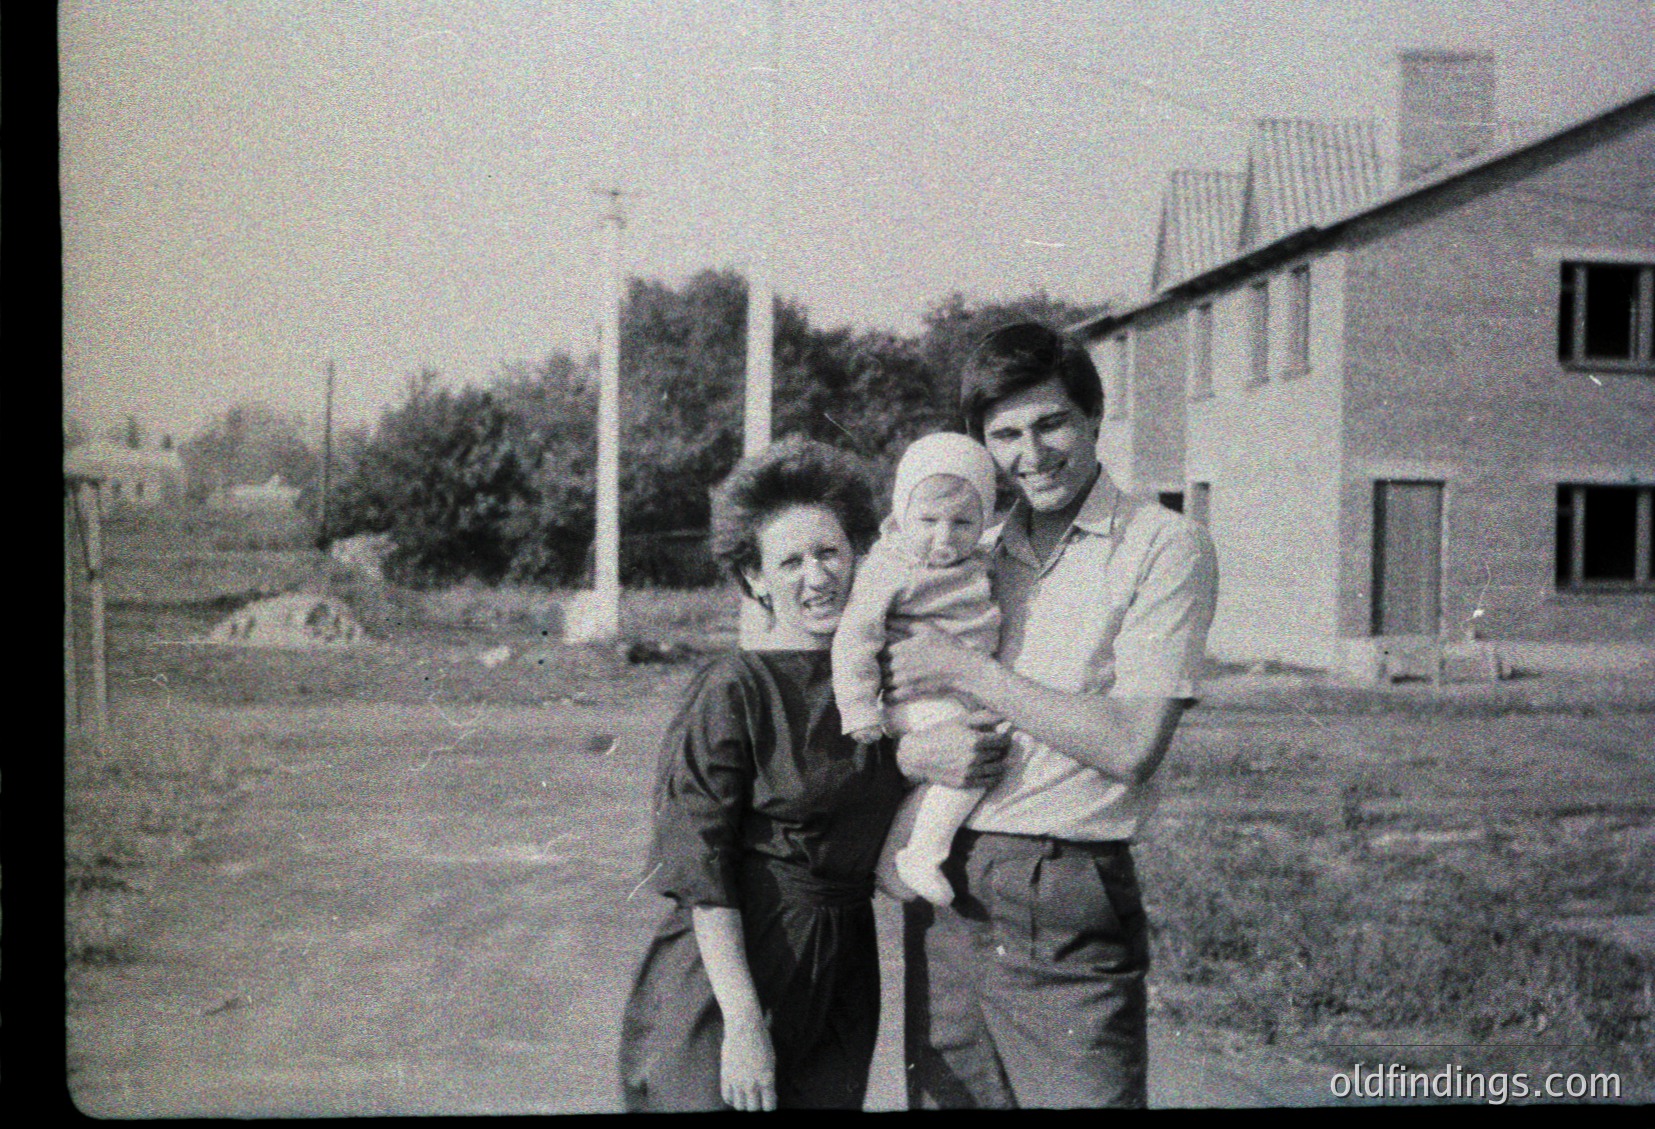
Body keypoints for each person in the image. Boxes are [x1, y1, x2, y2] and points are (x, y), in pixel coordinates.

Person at [617, 435, 1008, 1112]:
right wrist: (740, 1024)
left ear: (860, 555)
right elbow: (700, 874)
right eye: (789, 561)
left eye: (829, 553)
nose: (816, 576)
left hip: (842, 972)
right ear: (755, 578)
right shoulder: (733, 687)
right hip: (729, 976)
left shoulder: (888, 683)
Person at [885, 321, 1219, 1109]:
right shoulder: (967, 548)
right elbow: (899, 701)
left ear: (1095, 419)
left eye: (1050, 423)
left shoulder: (1162, 545)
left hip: (1066, 894)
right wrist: (915, 755)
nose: (1029, 452)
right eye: (1003, 434)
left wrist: (967, 668)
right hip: (947, 887)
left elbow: (1133, 742)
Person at [830, 431, 1002, 906]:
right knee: (976, 756)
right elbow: (855, 637)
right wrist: (859, 708)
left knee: (983, 753)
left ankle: (901, 848)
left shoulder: (981, 563)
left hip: (959, 691)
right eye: (927, 520)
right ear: (902, 515)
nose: (944, 538)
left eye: (963, 522)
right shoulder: (890, 565)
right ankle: (922, 853)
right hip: (911, 700)